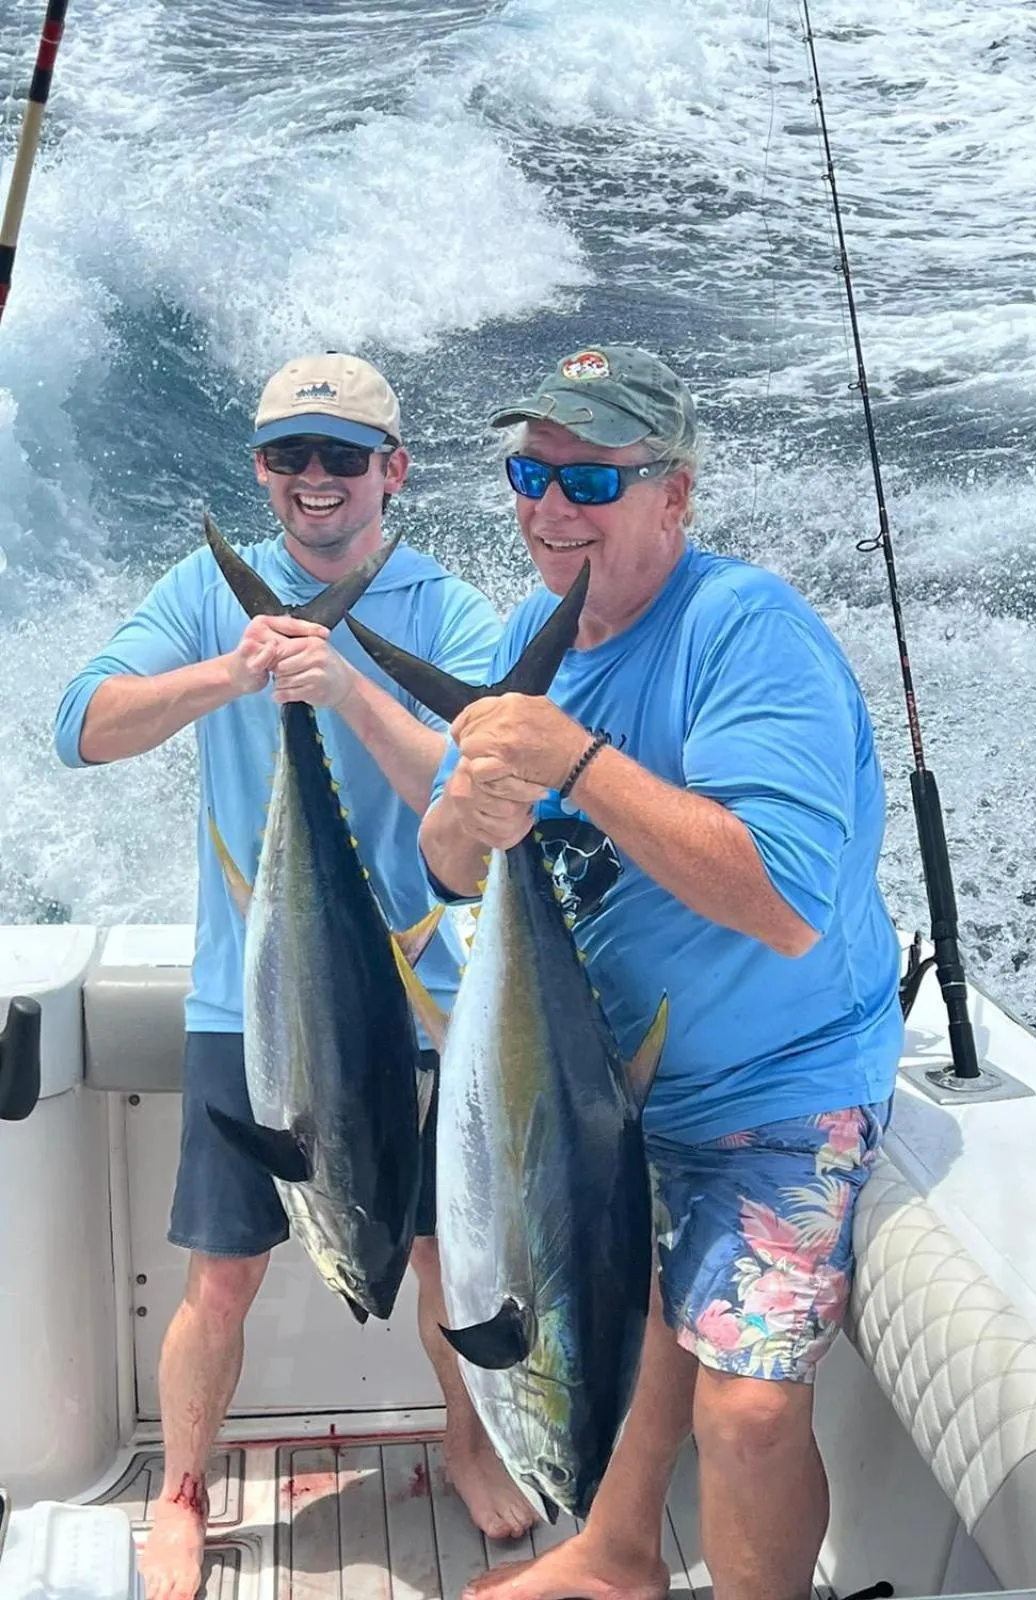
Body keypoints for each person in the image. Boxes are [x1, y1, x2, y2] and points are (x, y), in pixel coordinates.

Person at [416, 345, 904, 1600]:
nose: (549, 506)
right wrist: (474, 812)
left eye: (591, 478)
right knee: (623, 1328)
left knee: (744, 1410)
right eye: (531, 473)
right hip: (605, 1089)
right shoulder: (536, 633)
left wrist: (573, 762)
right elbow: (449, 870)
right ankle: (619, 1552)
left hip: (775, 1093)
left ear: (675, 494)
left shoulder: (747, 632)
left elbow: (788, 900)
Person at [53, 353, 536, 1600]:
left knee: (440, 1256)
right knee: (222, 1271)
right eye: (288, 456)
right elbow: (79, 724)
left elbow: (490, 783)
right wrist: (235, 671)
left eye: (341, 456)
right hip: (253, 1001)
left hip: (421, 995)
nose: (314, 481)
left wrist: (346, 687)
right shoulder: (204, 598)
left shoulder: (446, 608)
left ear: (394, 470)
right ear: (263, 469)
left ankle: (467, 1439)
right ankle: (179, 1492)